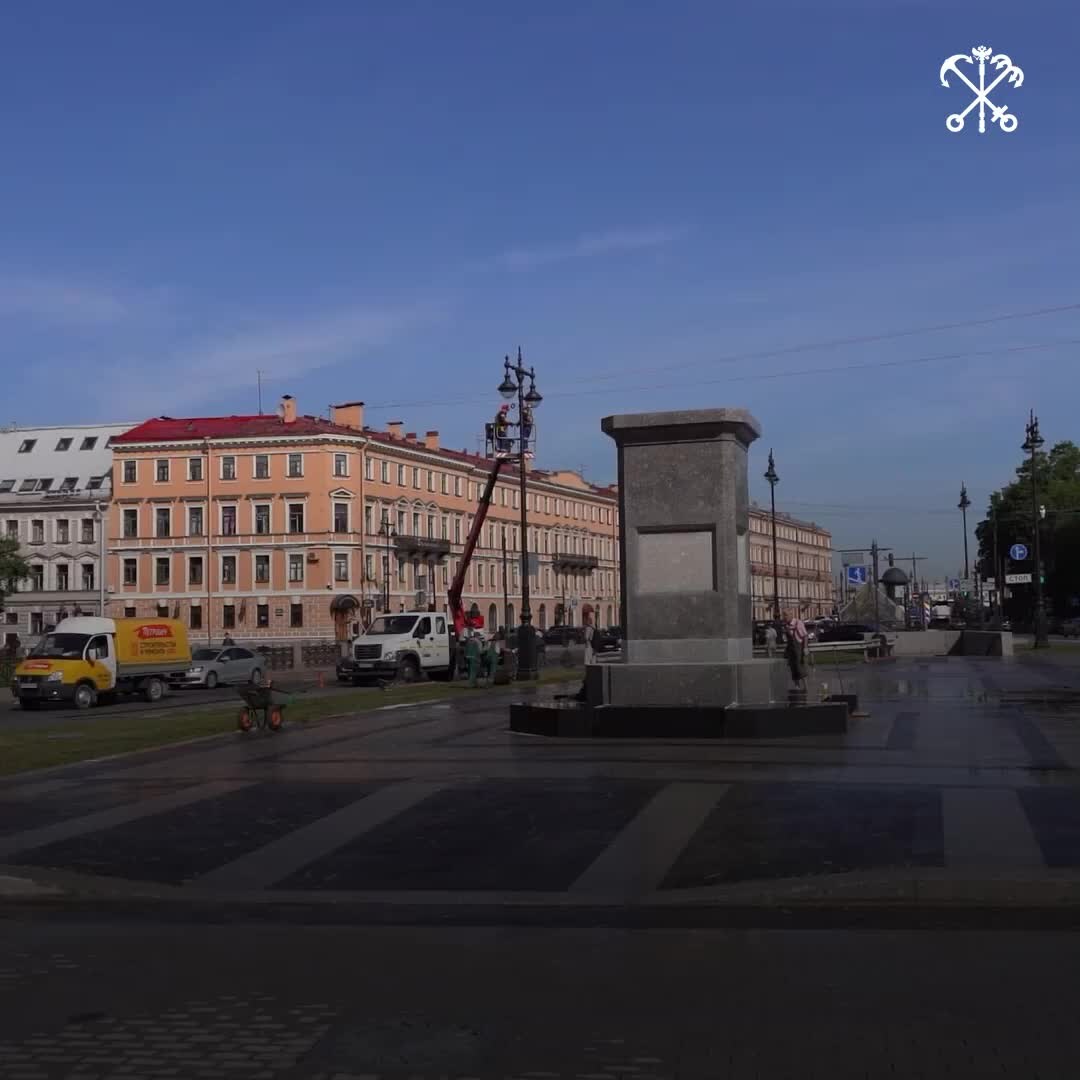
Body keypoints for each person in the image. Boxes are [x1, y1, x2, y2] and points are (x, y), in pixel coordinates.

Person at [784, 609, 808, 689]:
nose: (784, 617)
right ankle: (797, 687)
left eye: (786, 615)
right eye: (784, 615)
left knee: (799, 667)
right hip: (791, 648)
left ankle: (805, 687)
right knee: (792, 667)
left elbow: (805, 635)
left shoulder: (798, 623)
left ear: (791, 615)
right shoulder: (786, 625)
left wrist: (805, 648)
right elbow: (788, 639)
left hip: (798, 648)